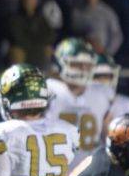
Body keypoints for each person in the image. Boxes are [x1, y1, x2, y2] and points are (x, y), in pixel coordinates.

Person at [45, 37, 113, 165]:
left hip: (88, 170)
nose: (82, 69)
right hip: (53, 169)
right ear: (60, 64)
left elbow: (108, 136)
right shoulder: (48, 90)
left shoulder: (100, 94)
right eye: (76, 64)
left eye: (86, 65)